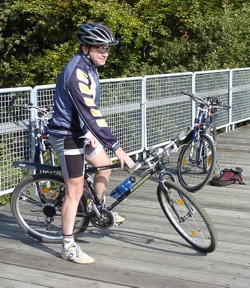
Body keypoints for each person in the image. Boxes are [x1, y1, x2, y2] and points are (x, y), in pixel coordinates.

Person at [48, 23, 135, 264]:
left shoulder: (91, 67)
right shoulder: (76, 72)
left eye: (106, 48)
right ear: (85, 47)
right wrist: (117, 147)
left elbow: (89, 111)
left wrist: (92, 133)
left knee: (104, 165)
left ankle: (99, 209)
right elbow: (89, 110)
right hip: (66, 135)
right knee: (74, 190)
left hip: (81, 131)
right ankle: (68, 245)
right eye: (99, 48)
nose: (104, 53)